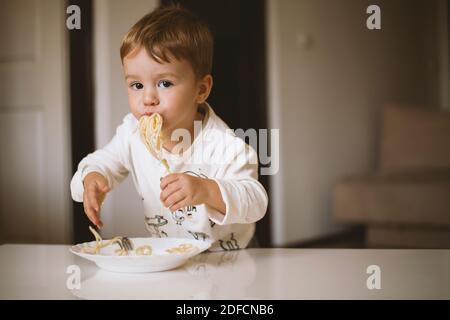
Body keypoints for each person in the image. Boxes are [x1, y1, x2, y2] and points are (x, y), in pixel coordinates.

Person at [70, 5, 268, 251]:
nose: (148, 98)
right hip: (172, 255)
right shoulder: (132, 133)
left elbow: (256, 201)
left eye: (164, 83)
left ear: (201, 90)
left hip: (231, 258)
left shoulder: (225, 146)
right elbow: (102, 161)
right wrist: (92, 178)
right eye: (136, 85)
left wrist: (207, 190)